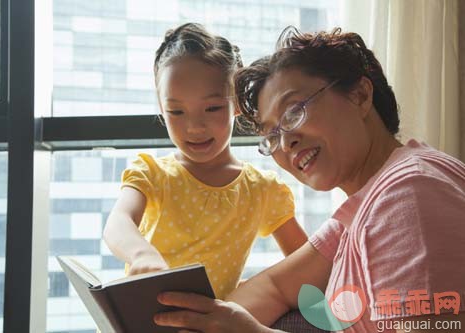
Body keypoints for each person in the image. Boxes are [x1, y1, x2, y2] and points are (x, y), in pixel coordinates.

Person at [153, 27, 465, 332]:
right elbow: (274, 286)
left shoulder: (409, 195)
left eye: (293, 112)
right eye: (272, 135)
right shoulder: (360, 210)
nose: (285, 142)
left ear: (359, 94)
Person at [103, 23, 308, 300]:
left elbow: (307, 262)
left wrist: (255, 290)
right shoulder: (152, 174)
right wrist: (141, 255)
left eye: (212, 108)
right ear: (161, 108)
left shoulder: (261, 190)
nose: (195, 127)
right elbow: (118, 222)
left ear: (236, 104)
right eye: (177, 111)